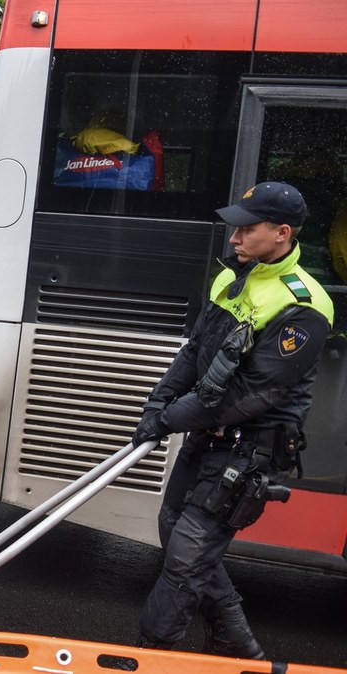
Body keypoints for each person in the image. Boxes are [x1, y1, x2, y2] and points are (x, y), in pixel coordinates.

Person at [130, 182, 333, 659]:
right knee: (171, 525)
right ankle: (237, 643)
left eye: (247, 228)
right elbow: (195, 351)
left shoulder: (304, 305)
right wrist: (155, 407)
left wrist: (169, 421)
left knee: (185, 561)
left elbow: (252, 394)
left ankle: (151, 655)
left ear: (281, 233)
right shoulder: (232, 278)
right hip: (208, 433)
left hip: (250, 450)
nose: (234, 237)